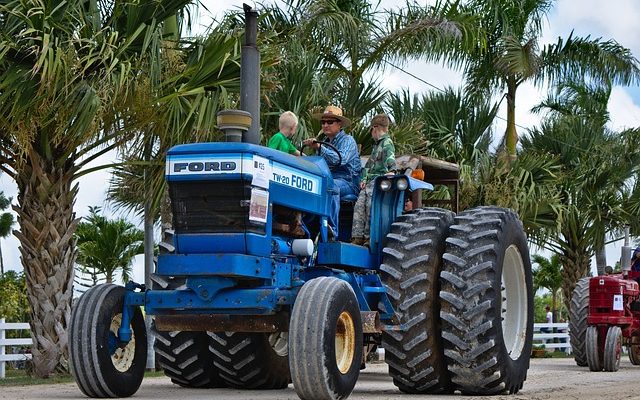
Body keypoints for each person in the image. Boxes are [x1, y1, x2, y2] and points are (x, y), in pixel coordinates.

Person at [302, 106, 361, 237]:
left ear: (339, 124)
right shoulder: (324, 143)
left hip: (348, 182)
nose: (325, 125)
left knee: (330, 186)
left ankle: (332, 228)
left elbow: (340, 160)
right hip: (328, 178)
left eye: (330, 122)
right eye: (323, 122)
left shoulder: (348, 141)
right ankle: (303, 224)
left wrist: (319, 147)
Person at [351, 114, 396, 245]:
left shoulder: (387, 143)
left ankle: (368, 237)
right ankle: (357, 236)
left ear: (375, 128)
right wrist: (363, 179)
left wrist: (391, 171)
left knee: (371, 206)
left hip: (378, 180)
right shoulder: (376, 146)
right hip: (369, 181)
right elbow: (368, 166)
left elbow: (390, 158)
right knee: (359, 206)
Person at [268, 111, 304, 236]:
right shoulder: (277, 137)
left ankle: (296, 224)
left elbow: (297, 153)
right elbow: (270, 153)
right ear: (294, 127)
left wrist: (309, 160)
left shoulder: (286, 141)